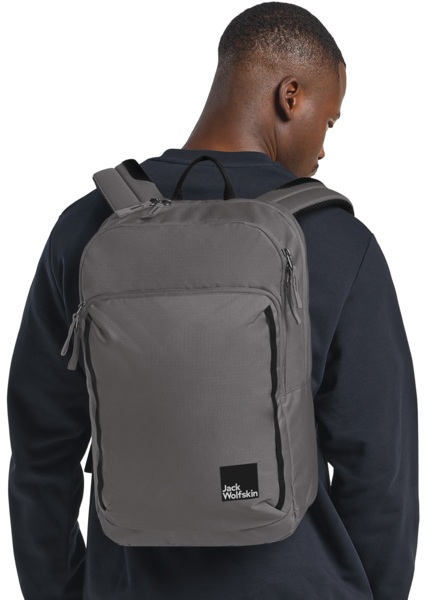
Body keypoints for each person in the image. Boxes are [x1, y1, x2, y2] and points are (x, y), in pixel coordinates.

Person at [7, 2, 418, 600]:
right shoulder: (338, 242)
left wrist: (68, 590)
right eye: (329, 122)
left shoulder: (86, 227)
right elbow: (381, 472)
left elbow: (41, 450)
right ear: (290, 96)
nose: (324, 149)